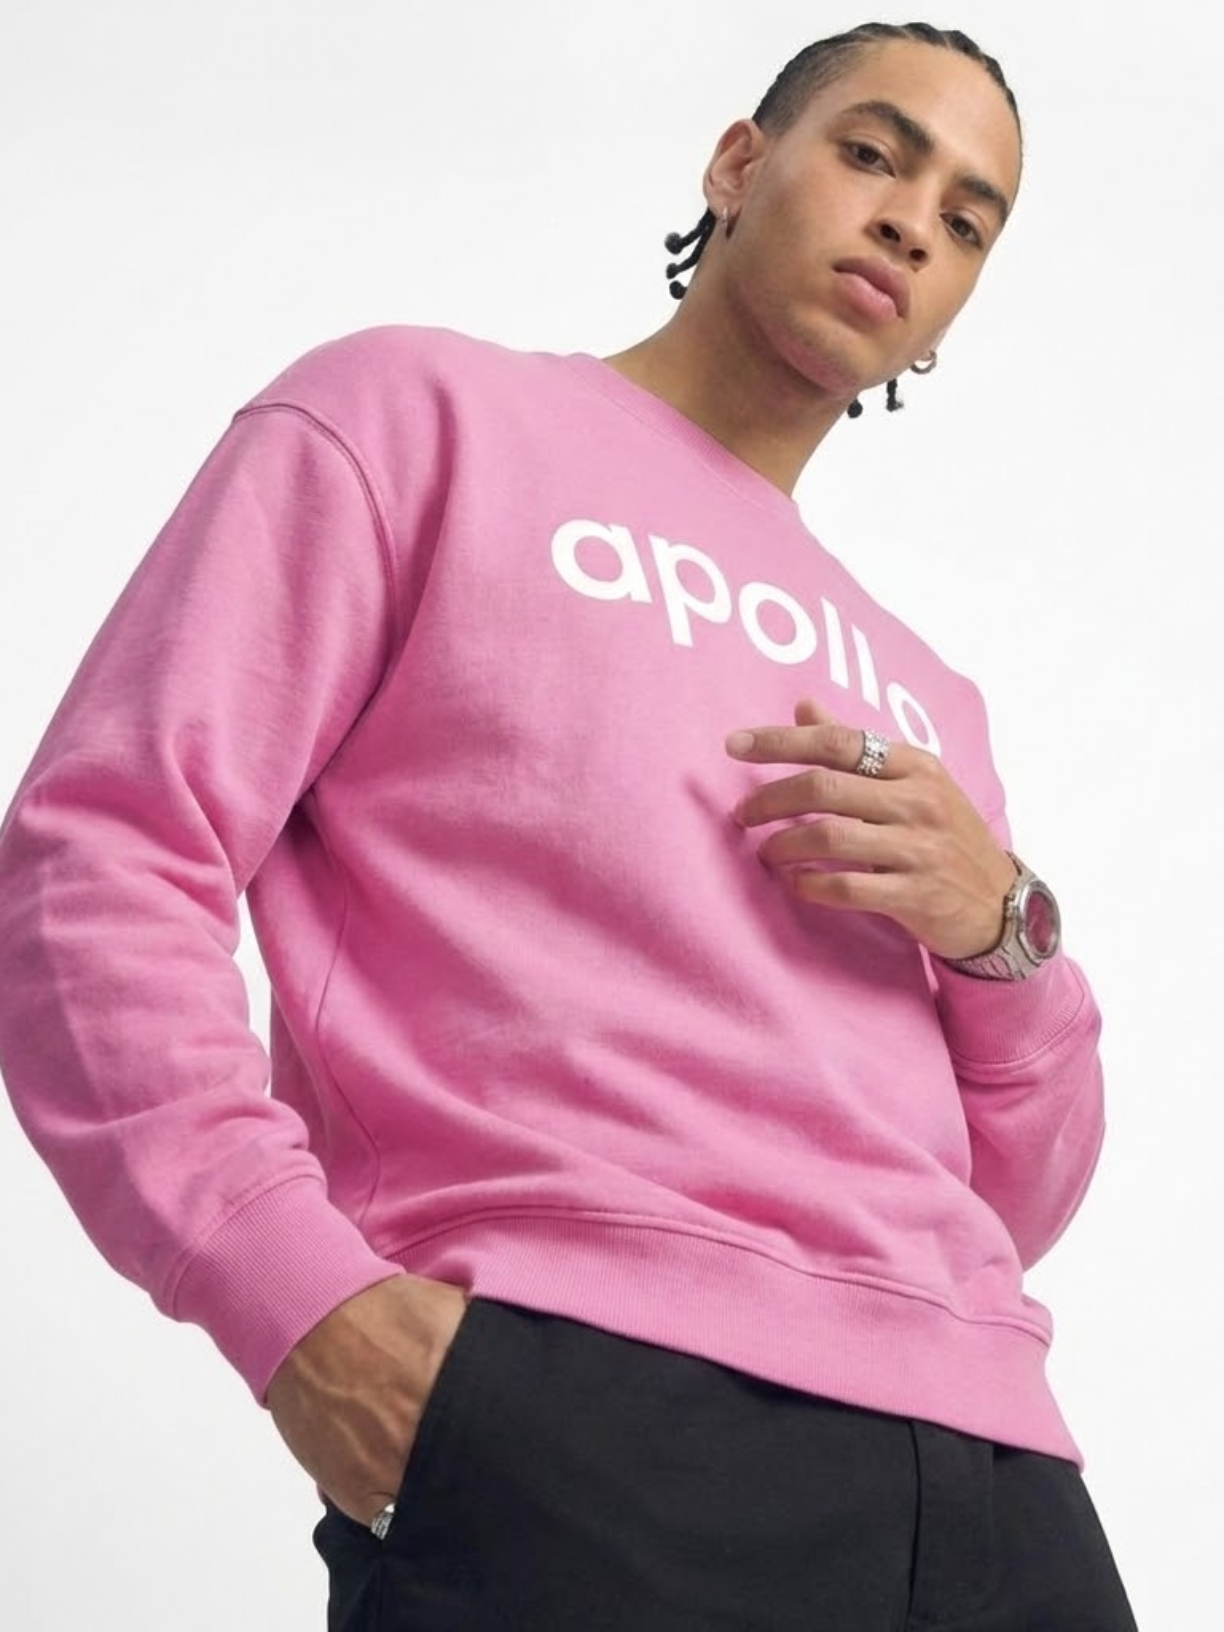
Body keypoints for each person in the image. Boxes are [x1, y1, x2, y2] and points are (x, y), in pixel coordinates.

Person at [0, 20, 1138, 1631]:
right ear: (738, 164)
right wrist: (292, 1299)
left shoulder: (928, 692)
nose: (909, 224)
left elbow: (1009, 1196)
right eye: (873, 155)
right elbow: (106, 853)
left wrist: (1000, 929)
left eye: (965, 220)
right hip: (580, 1415)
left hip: (999, 1482)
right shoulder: (415, 416)